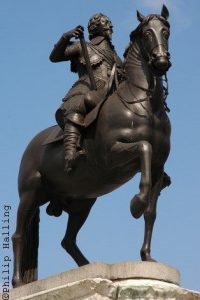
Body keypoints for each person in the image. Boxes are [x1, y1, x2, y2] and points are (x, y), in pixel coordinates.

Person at [49, 13, 124, 173]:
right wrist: (65, 37)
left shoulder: (116, 58)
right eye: (106, 23)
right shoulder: (82, 46)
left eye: (109, 23)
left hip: (110, 95)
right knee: (79, 104)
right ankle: (70, 152)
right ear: (97, 27)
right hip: (87, 88)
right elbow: (55, 57)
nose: (110, 26)